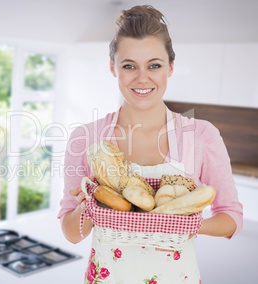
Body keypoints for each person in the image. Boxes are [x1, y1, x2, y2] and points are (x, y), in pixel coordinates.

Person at [57, 5, 243, 284]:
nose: (142, 78)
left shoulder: (200, 135)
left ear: (170, 67)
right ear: (113, 68)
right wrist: (90, 206)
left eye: (154, 65)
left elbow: (231, 216)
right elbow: (71, 234)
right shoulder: (87, 138)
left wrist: (188, 225)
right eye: (129, 66)